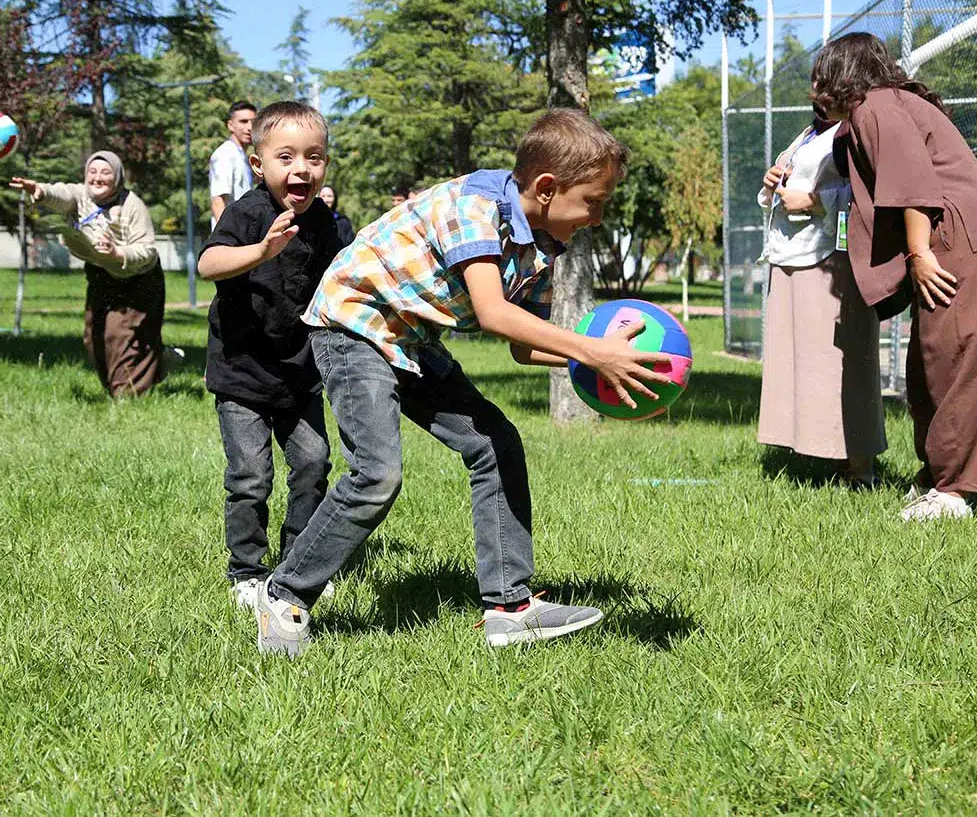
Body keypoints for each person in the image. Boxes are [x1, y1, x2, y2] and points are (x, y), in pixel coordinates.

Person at [253, 109, 671, 656]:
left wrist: (596, 363)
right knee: (377, 474)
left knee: (496, 443)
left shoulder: (542, 243)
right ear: (547, 188)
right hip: (354, 324)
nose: (597, 215)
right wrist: (592, 348)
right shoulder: (474, 206)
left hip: (413, 338)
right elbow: (495, 315)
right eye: (593, 200)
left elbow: (525, 345)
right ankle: (284, 592)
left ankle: (510, 608)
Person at [814, 32, 977, 521]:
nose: (814, 88)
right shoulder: (868, 115)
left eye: (821, 76)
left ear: (844, 74)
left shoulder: (877, 106)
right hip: (949, 236)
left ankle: (957, 491)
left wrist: (918, 253)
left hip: (956, 238)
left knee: (956, 360)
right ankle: (937, 477)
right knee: (927, 363)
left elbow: (914, 185)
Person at [197, 101, 342, 610]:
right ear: (259, 165)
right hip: (241, 372)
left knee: (313, 463)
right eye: (286, 157)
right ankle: (246, 571)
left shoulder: (326, 222)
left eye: (314, 156)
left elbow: (354, 272)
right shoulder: (247, 213)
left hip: (299, 375)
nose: (301, 168)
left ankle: (298, 559)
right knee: (251, 477)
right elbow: (209, 263)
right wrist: (261, 251)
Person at [755, 104, 886, 486]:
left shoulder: (855, 131)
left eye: (825, 84)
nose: (817, 94)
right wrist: (770, 185)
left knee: (839, 362)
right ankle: (822, 456)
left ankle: (860, 469)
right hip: (789, 256)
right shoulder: (808, 133)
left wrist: (815, 201)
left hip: (830, 259)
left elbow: (868, 193)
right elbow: (783, 192)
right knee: (798, 363)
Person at [10, 151, 168, 397]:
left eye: (105, 172)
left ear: (117, 177)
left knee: (118, 335)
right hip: (100, 274)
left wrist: (118, 252)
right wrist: (39, 191)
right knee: (92, 337)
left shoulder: (132, 206)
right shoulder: (80, 195)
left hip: (139, 279)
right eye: (92, 172)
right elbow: (61, 194)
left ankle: (127, 398)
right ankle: (155, 366)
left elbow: (146, 250)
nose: (97, 178)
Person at [208, 100, 256, 229]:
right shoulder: (225, 154)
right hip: (230, 240)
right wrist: (227, 237)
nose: (250, 127)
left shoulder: (241, 156)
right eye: (243, 121)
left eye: (253, 122)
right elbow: (217, 201)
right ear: (230, 125)